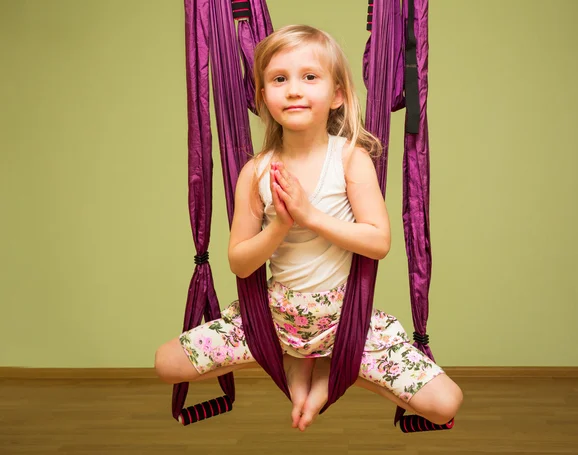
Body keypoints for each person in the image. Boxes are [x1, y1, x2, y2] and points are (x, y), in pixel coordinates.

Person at [155, 24, 463, 432]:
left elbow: (378, 241)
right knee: (165, 363)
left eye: (310, 77)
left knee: (446, 404)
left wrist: (309, 215)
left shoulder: (352, 160)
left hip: (345, 323)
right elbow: (240, 263)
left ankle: (340, 368)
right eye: (279, 79)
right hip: (273, 320)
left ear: (336, 95)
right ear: (263, 95)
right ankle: (290, 359)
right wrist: (280, 225)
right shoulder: (256, 171)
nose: (294, 90)